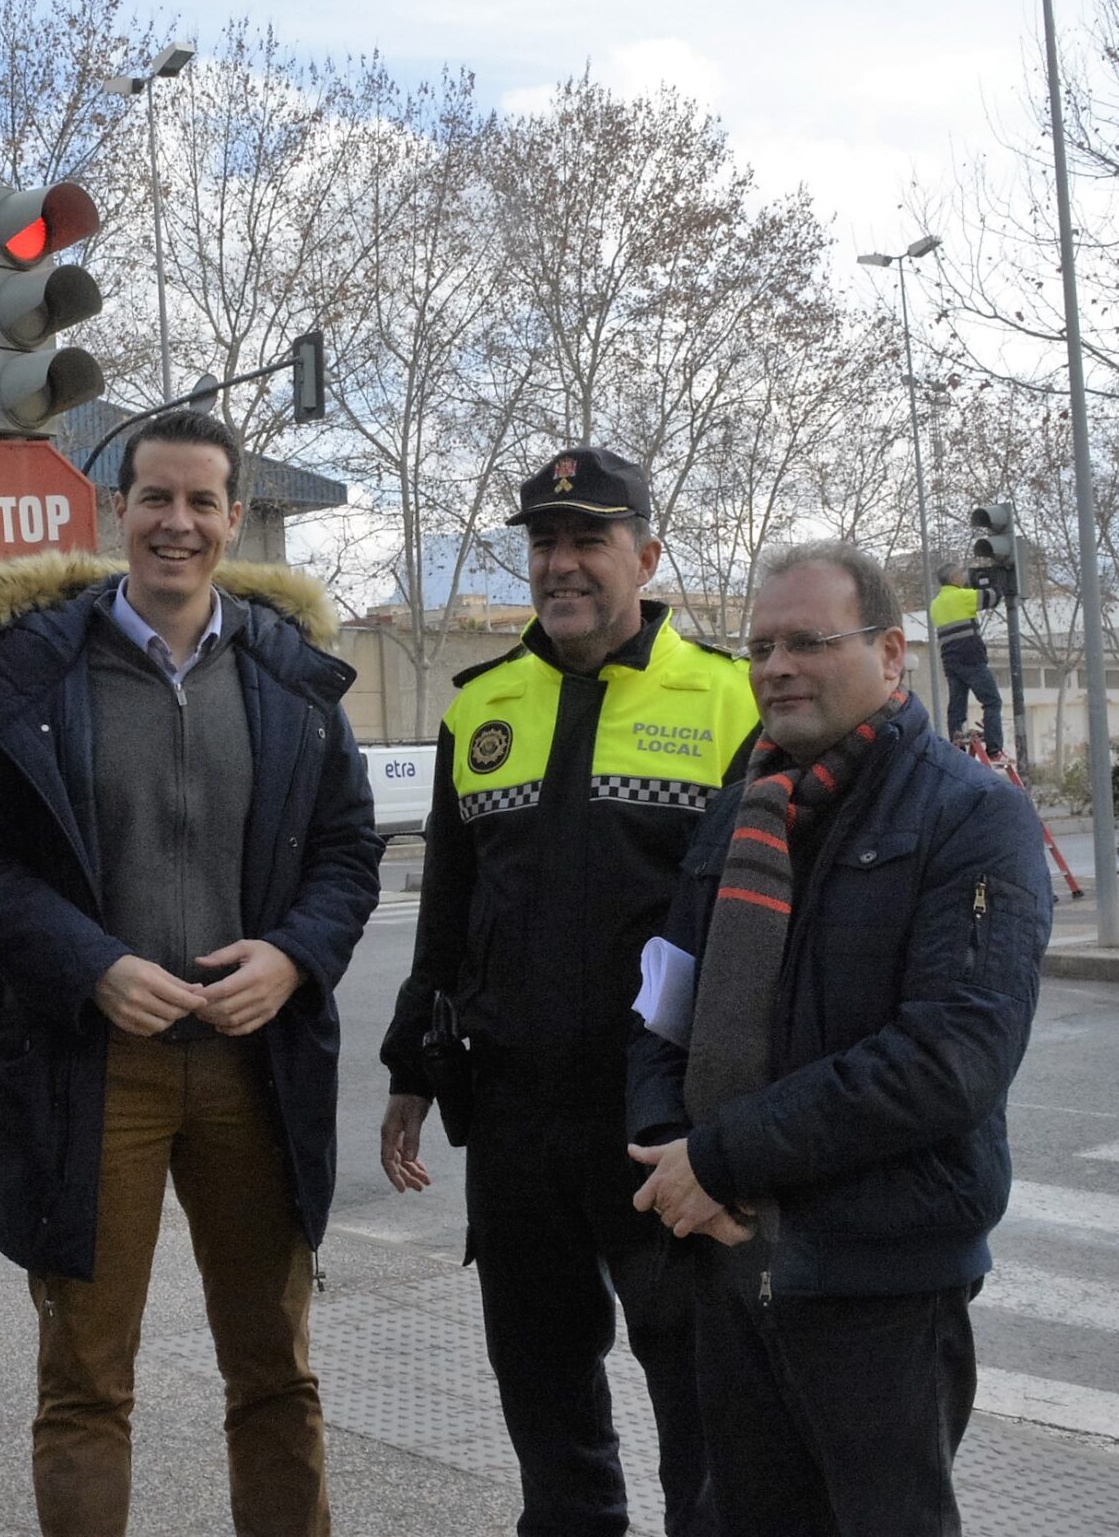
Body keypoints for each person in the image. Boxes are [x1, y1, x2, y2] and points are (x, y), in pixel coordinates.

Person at [0, 409, 382, 1537]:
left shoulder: (291, 678)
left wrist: (292, 956)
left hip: (255, 1068)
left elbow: (345, 854)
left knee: (273, 1370)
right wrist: (89, 964)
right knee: (86, 1379)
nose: (176, 523)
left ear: (234, 518)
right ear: (116, 511)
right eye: (155, 498)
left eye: (200, 502)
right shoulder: (33, 670)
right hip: (94, 1070)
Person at [628, 542, 1050, 1537]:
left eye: (808, 642)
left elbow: (949, 1057)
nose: (776, 667)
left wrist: (720, 1158)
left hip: (878, 1279)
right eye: (760, 647)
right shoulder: (742, 806)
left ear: (892, 654)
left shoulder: (972, 815)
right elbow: (663, 1001)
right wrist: (668, 1151)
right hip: (725, 1263)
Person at [378, 445, 757, 1537]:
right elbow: (448, 912)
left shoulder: (730, 700)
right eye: (544, 542)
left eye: (589, 538)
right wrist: (410, 1067)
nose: (562, 563)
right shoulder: (481, 709)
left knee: (696, 1384)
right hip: (515, 1116)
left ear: (646, 554)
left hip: (660, 1118)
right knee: (540, 1376)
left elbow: (760, 931)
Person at [930, 564, 1004, 753]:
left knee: (956, 706)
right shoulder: (962, 597)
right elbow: (993, 597)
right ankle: (994, 747)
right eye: (961, 573)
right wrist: (997, 581)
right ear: (954, 577)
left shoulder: (935, 604)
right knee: (992, 701)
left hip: (950, 661)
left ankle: (957, 746)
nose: (964, 576)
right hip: (971, 657)